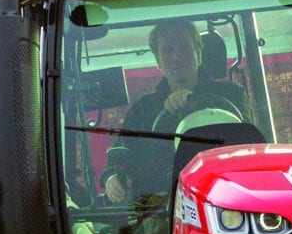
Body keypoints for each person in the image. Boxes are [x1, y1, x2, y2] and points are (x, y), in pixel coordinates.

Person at [101, 18, 242, 204]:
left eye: (184, 48)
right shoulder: (142, 110)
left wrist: (195, 101)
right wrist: (110, 177)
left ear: (198, 53)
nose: (177, 57)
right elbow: (120, 154)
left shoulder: (232, 95)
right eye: (168, 51)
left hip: (226, 198)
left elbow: (249, 140)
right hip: (160, 210)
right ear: (158, 61)